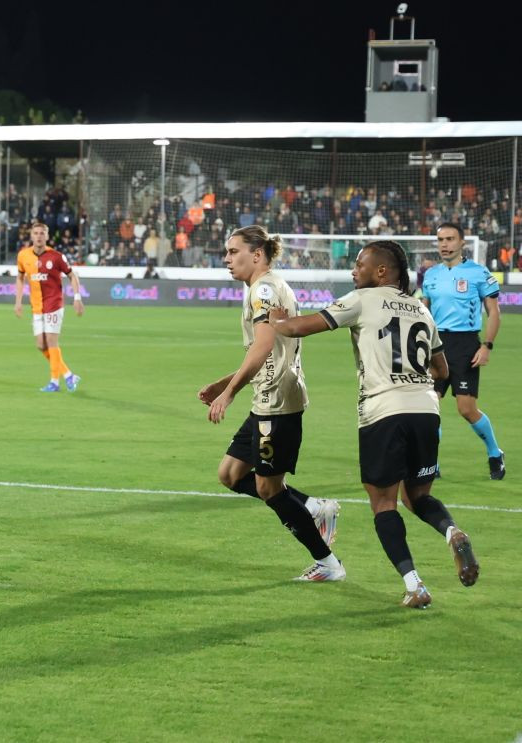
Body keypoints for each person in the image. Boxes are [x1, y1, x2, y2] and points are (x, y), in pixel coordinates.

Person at [269, 241, 479, 608]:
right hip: (426, 411)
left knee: (384, 503)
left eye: (360, 264)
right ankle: (452, 532)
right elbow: (442, 370)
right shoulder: (420, 309)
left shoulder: (363, 299)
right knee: (419, 496)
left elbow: (300, 328)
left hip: (383, 411)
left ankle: (416, 586)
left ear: (382, 271)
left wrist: (275, 319)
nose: (354, 271)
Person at [197, 225, 344, 581]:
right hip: (268, 395)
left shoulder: (263, 288)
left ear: (257, 254)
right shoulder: (269, 286)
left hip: (276, 399)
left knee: (267, 488)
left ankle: (328, 563)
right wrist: (224, 382)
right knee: (230, 475)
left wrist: (229, 393)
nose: (227, 259)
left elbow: (264, 346)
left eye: (234, 252)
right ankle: (313, 506)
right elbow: (268, 349)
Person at [421, 223, 504, 479]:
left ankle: (494, 452)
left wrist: (486, 346)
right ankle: (431, 463)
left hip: (466, 345)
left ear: (462, 243)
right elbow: (423, 311)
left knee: (466, 409)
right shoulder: (430, 274)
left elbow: (494, 313)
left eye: (450, 239)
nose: (444, 244)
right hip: (435, 345)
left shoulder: (478, 273)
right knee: (429, 407)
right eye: (440, 240)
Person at [13, 222, 84, 392]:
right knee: (40, 345)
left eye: (42, 233)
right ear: (31, 235)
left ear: (47, 236)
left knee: (51, 341)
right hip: (36, 307)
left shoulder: (56, 256)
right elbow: (20, 277)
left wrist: (77, 297)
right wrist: (18, 301)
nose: (38, 236)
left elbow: (72, 276)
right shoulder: (23, 256)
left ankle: (54, 382)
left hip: (54, 304)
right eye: (36, 233)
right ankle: (68, 375)